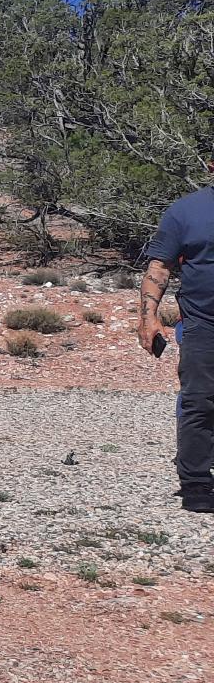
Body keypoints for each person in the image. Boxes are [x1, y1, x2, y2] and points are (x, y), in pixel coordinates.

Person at [140, 179, 214, 512]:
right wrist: (148, 316)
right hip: (203, 324)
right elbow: (159, 267)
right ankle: (196, 482)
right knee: (199, 400)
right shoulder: (185, 211)